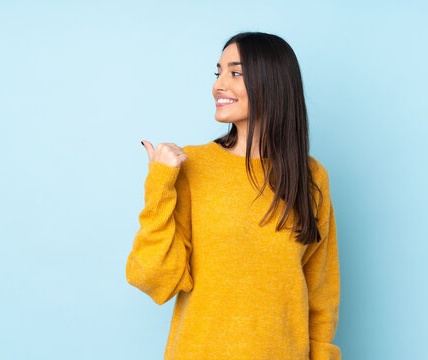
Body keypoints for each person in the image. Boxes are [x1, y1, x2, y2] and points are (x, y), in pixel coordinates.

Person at [126, 31, 341, 360]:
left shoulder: (311, 177)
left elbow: (320, 295)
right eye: (219, 72)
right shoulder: (192, 166)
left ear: (272, 82)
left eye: (235, 73)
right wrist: (159, 185)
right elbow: (152, 278)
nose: (218, 84)